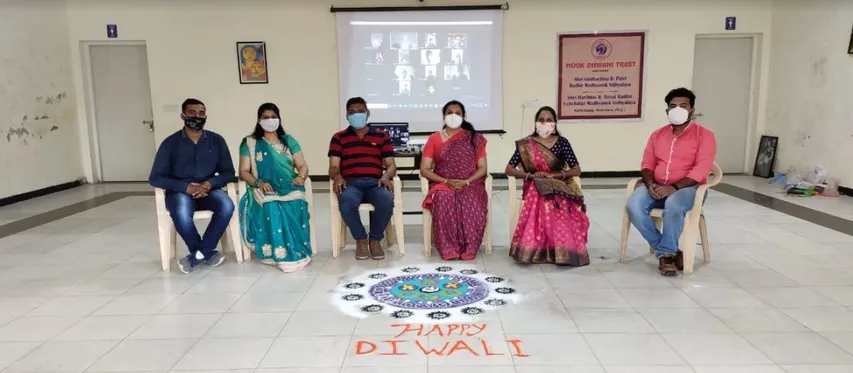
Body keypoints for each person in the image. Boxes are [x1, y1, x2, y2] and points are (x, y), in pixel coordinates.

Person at [626, 88, 717, 277]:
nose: (677, 109)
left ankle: (667, 254)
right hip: (658, 185)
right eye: (673, 106)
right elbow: (647, 164)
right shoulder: (657, 135)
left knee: (674, 204)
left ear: (692, 110)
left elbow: (701, 170)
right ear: (667, 110)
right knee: (633, 204)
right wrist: (650, 184)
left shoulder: (705, 135)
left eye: (683, 106)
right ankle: (667, 251)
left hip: (689, 189)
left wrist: (673, 188)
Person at [149, 98, 236, 274]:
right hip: (181, 192)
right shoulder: (170, 143)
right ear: (183, 116)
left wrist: (209, 184)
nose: (197, 116)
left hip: (209, 191)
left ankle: (197, 255)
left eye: (201, 113)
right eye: (192, 113)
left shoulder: (217, 140)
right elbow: (156, 178)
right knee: (180, 212)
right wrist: (186, 187)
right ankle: (205, 252)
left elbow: (228, 173)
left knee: (227, 205)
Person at [505, 106, 590, 266]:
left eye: (549, 120)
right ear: (536, 123)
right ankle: (537, 249)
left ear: (555, 124)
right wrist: (529, 176)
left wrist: (554, 175)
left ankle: (561, 250)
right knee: (541, 195)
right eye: (541, 120)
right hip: (533, 185)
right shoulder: (526, 144)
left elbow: (577, 170)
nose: (545, 123)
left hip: (558, 184)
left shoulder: (562, 143)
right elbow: (508, 169)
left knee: (557, 200)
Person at [237, 103, 312, 273]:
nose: (270, 120)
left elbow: (302, 165)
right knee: (271, 205)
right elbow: (243, 171)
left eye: (273, 117)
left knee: (297, 204)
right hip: (263, 186)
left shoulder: (289, 141)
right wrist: (258, 183)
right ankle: (276, 251)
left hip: (289, 184)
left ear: (278, 119)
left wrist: (301, 177)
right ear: (259, 120)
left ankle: (299, 248)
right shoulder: (250, 143)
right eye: (265, 117)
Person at [328, 97, 397, 260]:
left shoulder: (382, 136)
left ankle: (375, 240)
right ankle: (360, 239)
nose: (356, 115)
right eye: (352, 112)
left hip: (375, 183)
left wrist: (386, 176)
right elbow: (333, 167)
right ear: (346, 115)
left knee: (386, 200)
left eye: (360, 111)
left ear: (368, 113)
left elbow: (391, 165)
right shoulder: (339, 138)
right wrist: (337, 176)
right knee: (346, 201)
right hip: (351, 184)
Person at [420, 100, 488, 261]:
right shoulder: (434, 139)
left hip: (470, 183)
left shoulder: (474, 139)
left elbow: (483, 168)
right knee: (444, 199)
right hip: (443, 183)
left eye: (458, 113)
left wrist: (467, 182)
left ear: (463, 117)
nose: (453, 115)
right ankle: (448, 248)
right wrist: (445, 180)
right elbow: (424, 169)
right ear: (443, 116)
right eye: (450, 112)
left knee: (471, 201)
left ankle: (469, 247)